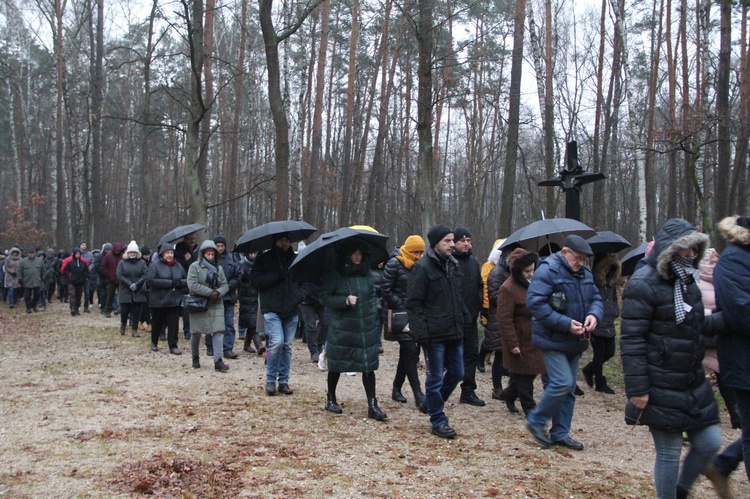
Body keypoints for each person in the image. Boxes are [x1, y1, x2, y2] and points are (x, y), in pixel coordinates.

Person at [621, 218, 722, 499]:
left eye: (694, 249)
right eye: (686, 249)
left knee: (710, 442)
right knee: (669, 453)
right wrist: (638, 389)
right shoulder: (642, 284)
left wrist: (732, 321)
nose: (691, 255)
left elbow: (698, 326)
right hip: (659, 381)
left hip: (690, 381)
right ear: (670, 250)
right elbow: (632, 340)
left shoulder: (688, 282)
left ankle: (680, 490)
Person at [524, 234, 603, 451]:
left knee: (567, 389)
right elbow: (535, 304)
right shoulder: (547, 271)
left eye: (583, 259)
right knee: (562, 382)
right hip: (551, 338)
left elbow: (596, 298)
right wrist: (565, 323)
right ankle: (536, 420)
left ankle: (560, 432)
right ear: (565, 253)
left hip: (575, 340)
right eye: (577, 258)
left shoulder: (585, 274)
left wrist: (594, 315)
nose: (580, 263)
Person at [406, 224, 470, 439]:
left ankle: (432, 403)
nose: (453, 244)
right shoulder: (422, 268)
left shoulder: (452, 266)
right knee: (434, 379)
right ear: (435, 244)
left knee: (458, 373)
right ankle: (438, 420)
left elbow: (457, 297)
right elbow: (414, 303)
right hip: (434, 335)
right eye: (447, 241)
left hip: (455, 331)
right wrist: (421, 334)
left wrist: (465, 318)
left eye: (453, 240)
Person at [705, 215, 750, 498]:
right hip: (744, 359)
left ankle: (722, 463)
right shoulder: (733, 260)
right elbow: (739, 311)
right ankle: (722, 464)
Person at [319, 242, 386, 420]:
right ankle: (330, 398)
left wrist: (373, 312)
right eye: (354, 254)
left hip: (365, 328)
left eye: (360, 254)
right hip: (343, 327)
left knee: (368, 366)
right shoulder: (335, 275)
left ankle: (373, 404)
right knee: (337, 364)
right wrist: (344, 300)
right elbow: (325, 297)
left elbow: (372, 294)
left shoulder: (366, 275)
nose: (357, 257)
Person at [251, 234, 309, 396]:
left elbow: (306, 281)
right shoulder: (265, 259)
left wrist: (299, 296)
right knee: (277, 342)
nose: (284, 243)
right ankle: (271, 380)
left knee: (287, 346)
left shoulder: (296, 259)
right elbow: (255, 281)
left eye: (287, 240)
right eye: (281, 240)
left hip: (291, 308)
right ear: (275, 242)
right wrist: (277, 275)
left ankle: (283, 381)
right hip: (271, 307)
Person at [380, 235, 426, 412]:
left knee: (409, 354)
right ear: (408, 249)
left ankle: (396, 387)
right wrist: (401, 304)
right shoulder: (394, 263)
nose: (418, 255)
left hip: (415, 315)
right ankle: (418, 393)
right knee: (410, 350)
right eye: (415, 252)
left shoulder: (421, 266)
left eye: (421, 252)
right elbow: (385, 289)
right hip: (398, 314)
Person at [497, 248, 544, 416]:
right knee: (524, 378)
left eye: (533, 270)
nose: (531, 274)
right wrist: (512, 343)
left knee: (529, 373)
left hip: (534, 337)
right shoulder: (507, 288)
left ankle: (509, 394)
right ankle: (531, 412)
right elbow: (504, 319)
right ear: (518, 271)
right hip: (519, 339)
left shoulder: (533, 284)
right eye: (527, 271)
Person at [452, 225, 486, 407]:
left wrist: (480, 306)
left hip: (471, 317)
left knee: (471, 354)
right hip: (453, 318)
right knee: (450, 357)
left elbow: (480, 286)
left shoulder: (474, 263)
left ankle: (468, 390)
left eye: (468, 241)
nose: (466, 244)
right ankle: (441, 389)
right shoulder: (449, 262)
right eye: (462, 241)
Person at [581, 254, 622, 394]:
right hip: (596, 320)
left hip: (609, 320)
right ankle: (600, 382)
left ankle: (588, 369)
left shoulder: (612, 281)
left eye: (611, 267)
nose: (608, 269)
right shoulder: (592, 281)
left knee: (610, 351)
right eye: (606, 266)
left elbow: (614, 297)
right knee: (599, 353)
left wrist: (615, 310)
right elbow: (588, 298)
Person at [187, 240, 230, 371]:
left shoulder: (219, 268)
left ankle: (218, 360)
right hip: (199, 303)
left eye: (212, 254)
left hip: (216, 303)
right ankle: (195, 356)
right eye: (208, 254)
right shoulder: (195, 267)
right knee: (196, 333)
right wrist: (209, 292)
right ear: (203, 254)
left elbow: (225, 284)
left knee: (218, 331)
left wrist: (218, 292)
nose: (210, 256)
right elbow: (192, 284)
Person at [145, 243, 187, 354]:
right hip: (158, 301)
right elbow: (150, 281)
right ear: (162, 254)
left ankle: (173, 345)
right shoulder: (155, 265)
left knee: (173, 324)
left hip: (174, 300)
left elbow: (185, 280)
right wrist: (169, 283)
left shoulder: (178, 266)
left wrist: (179, 283)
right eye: (167, 253)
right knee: (157, 323)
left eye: (171, 253)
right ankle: (154, 341)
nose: (169, 255)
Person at [486, 247, 511, 404]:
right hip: (498, 318)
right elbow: (494, 296)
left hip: (510, 317)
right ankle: (497, 388)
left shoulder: (513, 273)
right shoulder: (496, 273)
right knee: (500, 355)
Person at [213, 236, 242, 359]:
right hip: (214, 297)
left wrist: (228, 287)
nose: (220, 248)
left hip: (228, 297)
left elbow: (239, 275)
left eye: (222, 246)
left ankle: (228, 348)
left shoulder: (231, 260)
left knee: (229, 324)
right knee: (213, 324)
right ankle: (212, 346)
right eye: (218, 246)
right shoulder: (210, 259)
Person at [479, 239, 505, 371]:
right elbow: (484, 288)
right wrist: (485, 307)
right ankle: (481, 357)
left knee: (500, 336)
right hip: (490, 307)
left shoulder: (507, 268)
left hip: (502, 308)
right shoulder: (488, 267)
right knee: (491, 336)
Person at [117, 241, 148, 338]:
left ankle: (135, 329)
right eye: (131, 252)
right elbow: (119, 275)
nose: (132, 254)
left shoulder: (142, 263)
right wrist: (129, 284)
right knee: (124, 311)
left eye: (134, 252)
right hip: (125, 289)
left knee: (136, 311)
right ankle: (123, 324)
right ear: (127, 253)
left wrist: (137, 284)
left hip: (138, 290)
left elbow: (145, 275)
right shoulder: (122, 263)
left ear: (137, 253)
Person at [237, 251, 264, 355]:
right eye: (251, 253)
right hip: (246, 296)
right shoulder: (242, 265)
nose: (253, 255)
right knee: (252, 321)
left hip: (257, 295)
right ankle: (259, 345)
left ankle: (246, 344)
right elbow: (240, 280)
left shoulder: (261, 264)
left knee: (252, 320)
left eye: (255, 253)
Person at [175, 233, 199, 340]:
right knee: (182, 308)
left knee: (191, 308)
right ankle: (183, 330)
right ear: (185, 239)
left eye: (193, 238)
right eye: (190, 239)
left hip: (194, 280)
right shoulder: (180, 249)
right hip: (183, 280)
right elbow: (178, 264)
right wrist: (186, 259)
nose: (192, 241)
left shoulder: (197, 249)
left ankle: (190, 329)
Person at [300, 285, 325, 362]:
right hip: (306, 300)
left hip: (322, 299)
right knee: (310, 326)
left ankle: (318, 345)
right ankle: (314, 351)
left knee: (326, 324)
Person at [60, 247, 89, 316]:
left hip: (80, 281)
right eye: (76, 253)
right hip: (71, 281)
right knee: (72, 294)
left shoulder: (84, 261)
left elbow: (87, 270)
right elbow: (62, 270)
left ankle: (77, 308)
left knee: (78, 295)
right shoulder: (68, 260)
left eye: (79, 253)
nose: (77, 255)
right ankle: (72, 308)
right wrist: (69, 275)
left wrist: (85, 276)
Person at [101, 242, 124, 317]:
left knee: (121, 296)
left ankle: (121, 309)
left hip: (120, 279)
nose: (117, 251)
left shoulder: (122, 257)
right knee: (110, 296)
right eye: (116, 250)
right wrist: (109, 275)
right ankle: (107, 310)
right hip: (111, 280)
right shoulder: (108, 256)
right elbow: (103, 267)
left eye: (118, 250)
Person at [18, 247, 44, 313]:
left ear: (35, 253)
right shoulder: (23, 261)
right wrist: (20, 278)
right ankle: (28, 307)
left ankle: (34, 305)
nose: (31, 254)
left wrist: (43, 277)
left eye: (33, 253)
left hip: (37, 281)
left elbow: (43, 270)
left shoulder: (39, 261)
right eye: (30, 253)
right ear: (27, 253)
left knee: (37, 294)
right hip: (26, 281)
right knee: (27, 296)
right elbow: (19, 270)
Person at [79, 241, 94, 313]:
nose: (84, 246)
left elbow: (92, 262)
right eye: (82, 245)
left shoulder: (90, 254)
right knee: (78, 292)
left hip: (87, 275)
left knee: (87, 292)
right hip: (78, 276)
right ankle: (76, 305)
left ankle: (86, 307)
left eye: (85, 245)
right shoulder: (76, 253)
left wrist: (89, 268)